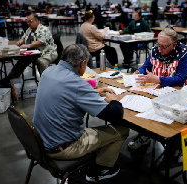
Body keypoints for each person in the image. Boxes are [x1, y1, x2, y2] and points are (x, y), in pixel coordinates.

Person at [33, 44, 129, 182]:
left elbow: (65, 93)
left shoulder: (49, 71)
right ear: (83, 63)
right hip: (63, 148)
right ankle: (103, 169)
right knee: (122, 130)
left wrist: (94, 92)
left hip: (41, 141)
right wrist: (114, 101)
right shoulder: (77, 83)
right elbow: (114, 115)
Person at [128, 26, 187, 149]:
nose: (159, 49)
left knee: (175, 116)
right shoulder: (155, 50)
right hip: (160, 88)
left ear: (174, 45)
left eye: (163, 46)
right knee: (145, 108)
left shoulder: (184, 53)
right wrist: (139, 72)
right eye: (158, 44)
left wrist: (158, 79)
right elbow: (146, 66)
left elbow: (180, 79)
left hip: (181, 91)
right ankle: (146, 134)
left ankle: (179, 147)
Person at [0, 13, 57, 84]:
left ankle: (47, 82)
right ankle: (10, 78)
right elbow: (24, 38)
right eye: (27, 21)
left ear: (36, 20)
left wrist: (28, 46)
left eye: (30, 21)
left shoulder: (44, 29)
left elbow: (41, 42)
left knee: (41, 62)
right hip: (35, 53)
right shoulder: (30, 29)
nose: (28, 23)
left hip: (47, 52)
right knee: (22, 60)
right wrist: (20, 41)